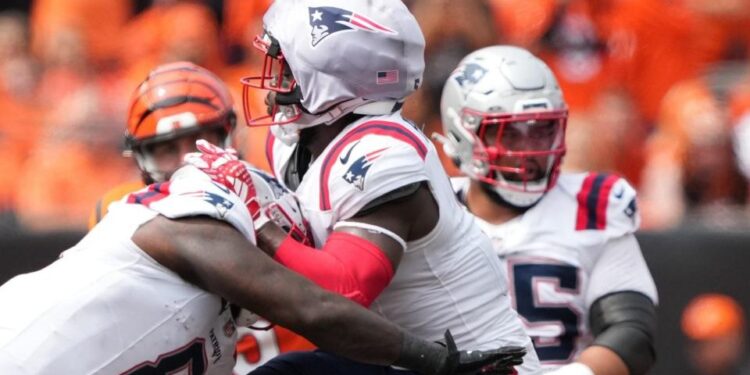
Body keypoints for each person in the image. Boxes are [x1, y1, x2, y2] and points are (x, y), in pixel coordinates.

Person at [187, 0, 541, 373]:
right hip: (409, 359)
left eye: (287, 70)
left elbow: (341, 294)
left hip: (477, 365)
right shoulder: (294, 141)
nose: (275, 85)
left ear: (332, 79)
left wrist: (261, 224)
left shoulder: (384, 154)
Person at [0, 154, 525, 374]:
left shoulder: (218, 335)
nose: (288, 262)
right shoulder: (186, 219)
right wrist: (434, 361)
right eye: (281, 242)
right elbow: (314, 308)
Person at [437, 45, 659, 375]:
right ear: (463, 134)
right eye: (512, 133)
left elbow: (632, 333)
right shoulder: (431, 208)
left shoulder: (591, 208)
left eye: (542, 131)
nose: (532, 150)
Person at [87, 61, 317, 371]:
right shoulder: (117, 211)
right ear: (141, 157)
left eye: (200, 139)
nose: (189, 161)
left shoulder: (273, 194)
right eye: (167, 148)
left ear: (230, 134)